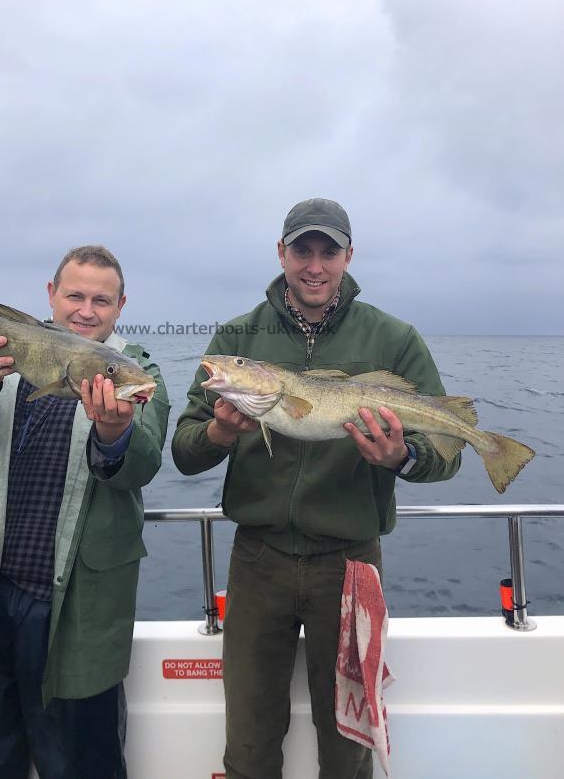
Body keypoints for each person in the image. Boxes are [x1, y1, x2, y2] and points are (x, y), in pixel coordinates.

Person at [172, 199, 461, 779]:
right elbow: (183, 450)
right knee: (250, 739)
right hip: (258, 561)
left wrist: (401, 455)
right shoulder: (238, 336)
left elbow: (444, 457)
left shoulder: (394, 338)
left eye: (328, 252)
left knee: (348, 738)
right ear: (281, 254)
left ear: (348, 257)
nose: (314, 265)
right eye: (302, 250)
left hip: (351, 562)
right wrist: (219, 432)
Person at [0, 245, 170, 779]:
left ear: (121, 306)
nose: (86, 309)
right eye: (74, 294)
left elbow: (142, 464)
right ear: (50, 295)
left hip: (76, 605)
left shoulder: (136, 368)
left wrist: (114, 430)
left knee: (82, 761)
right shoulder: (3, 354)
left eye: (102, 300)